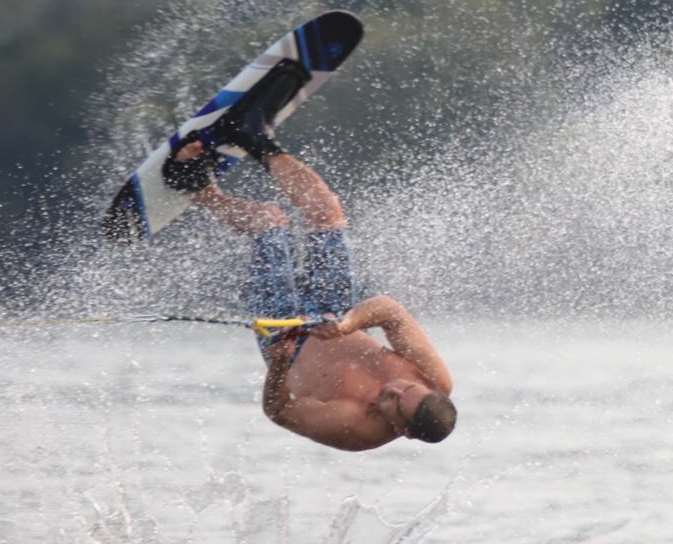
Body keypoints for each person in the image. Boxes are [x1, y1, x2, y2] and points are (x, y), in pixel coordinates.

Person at [163, 84, 456, 452]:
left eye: (395, 404)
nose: (393, 390)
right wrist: (349, 323)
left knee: (270, 223)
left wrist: (279, 366)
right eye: (407, 389)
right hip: (334, 311)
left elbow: (280, 412)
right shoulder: (435, 378)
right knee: (326, 211)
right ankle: (255, 138)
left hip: (286, 335)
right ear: (426, 388)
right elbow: (390, 311)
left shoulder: (357, 430)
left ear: (404, 431)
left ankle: (196, 189)